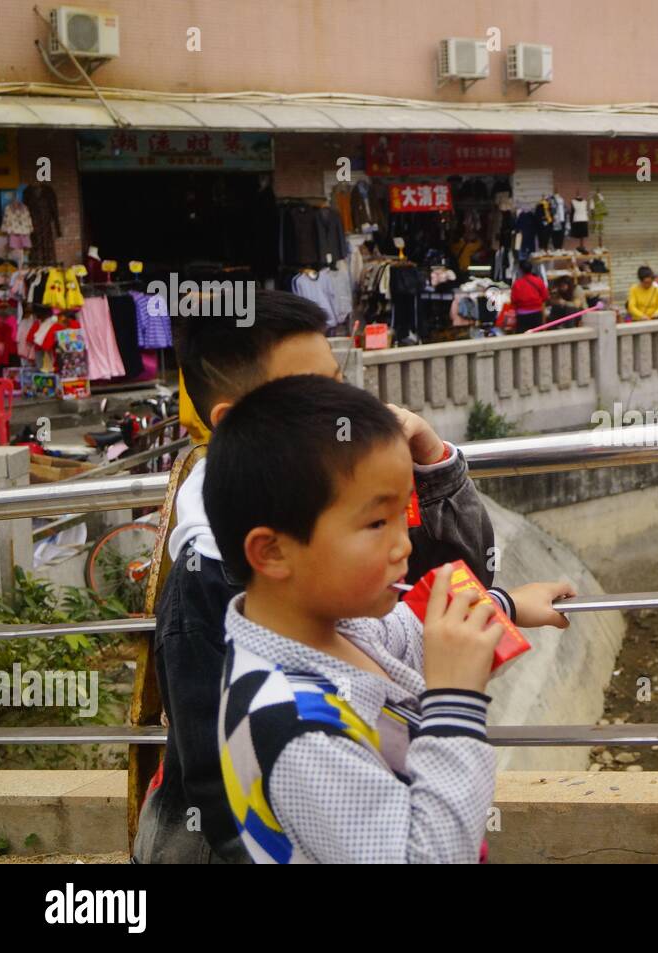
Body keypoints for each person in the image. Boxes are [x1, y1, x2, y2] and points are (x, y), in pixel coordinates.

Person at [133, 291, 495, 864]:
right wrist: (453, 704)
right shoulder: (215, 586)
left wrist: (433, 471)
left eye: (337, 385)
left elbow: (438, 599)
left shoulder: (330, 549)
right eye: (309, 397)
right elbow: (219, 795)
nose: (343, 411)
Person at [205, 376, 575, 863]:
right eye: (377, 523)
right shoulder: (296, 729)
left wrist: (502, 605)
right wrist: (455, 702)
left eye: (403, 515)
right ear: (272, 551)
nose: (403, 545)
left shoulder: (334, 631)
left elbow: (410, 636)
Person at [510, 258, 549, 333]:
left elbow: (513, 300)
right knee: (537, 337)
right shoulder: (538, 281)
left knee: (522, 338)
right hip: (537, 314)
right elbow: (545, 297)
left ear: (520, 270)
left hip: (522, 315)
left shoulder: (517, 284)